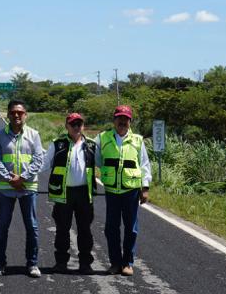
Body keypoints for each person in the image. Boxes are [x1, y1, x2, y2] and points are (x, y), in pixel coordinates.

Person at [96, 105, 151, 277]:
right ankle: (114, 263)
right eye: (119, 118)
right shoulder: (102, 138)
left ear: (130, 121)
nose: (122, 122)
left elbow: (144, 165)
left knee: (131, 228)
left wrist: (145, 188)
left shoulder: (138, 140)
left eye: (125, 119)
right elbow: (97, 160)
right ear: (114, 120)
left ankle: (127, 263)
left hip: (131, 191)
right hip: (112, 191)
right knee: (111, 228)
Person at [0, 100, 44, 278]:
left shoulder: (34, 135)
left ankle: (32, 263)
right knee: (2, 227)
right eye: (13, 112)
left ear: (25, 115)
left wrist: (22, 178)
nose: (16, 115)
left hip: (28, 188)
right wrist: (10, 179)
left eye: (20, 112)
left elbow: (38, 160)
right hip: (6, 189)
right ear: (8, 114)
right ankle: (0, 263)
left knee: (32, 227)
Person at [42, 112, 97, 275]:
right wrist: (25, 177)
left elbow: (103, 163)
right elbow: (44, 164)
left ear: (83, 126)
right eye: (73, 124)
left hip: (84, 194)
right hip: (63, 193)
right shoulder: (57, 144)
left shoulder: (92, 145)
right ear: (66, 126)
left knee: (85, 230)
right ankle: (61, 263)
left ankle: (85, 264)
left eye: (79, 124)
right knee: (62, 229)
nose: (76, 127)